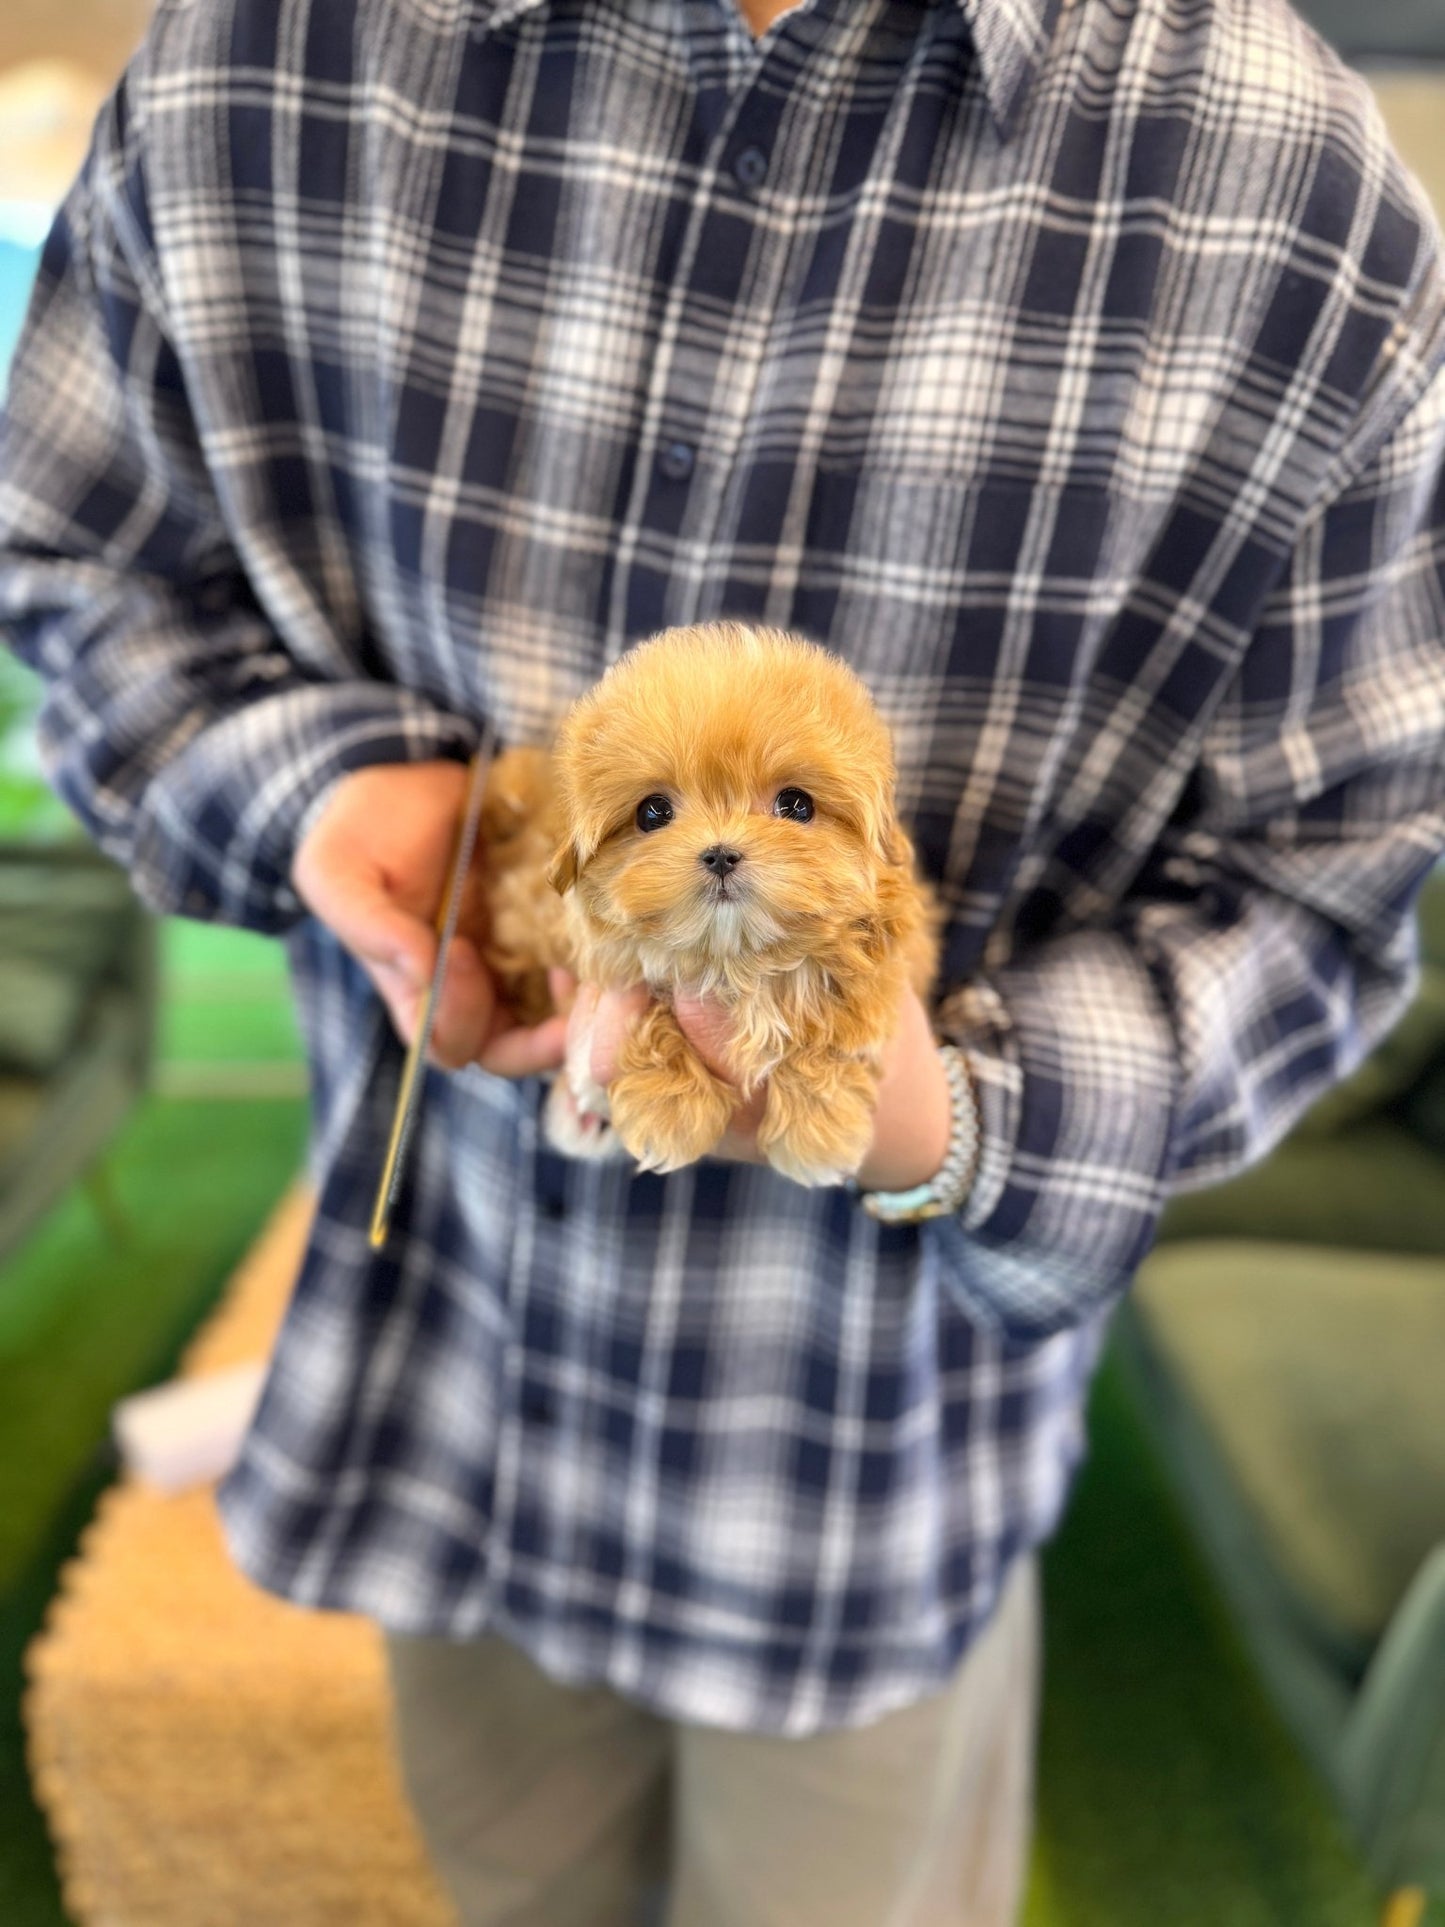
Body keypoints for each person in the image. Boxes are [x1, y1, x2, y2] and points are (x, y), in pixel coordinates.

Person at [3, 0, 1444, 1918]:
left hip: (865, 1462)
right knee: (511, 1873)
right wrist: (328, 801)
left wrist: (941, 1108)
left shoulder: (1283, 184)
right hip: (456, 1361)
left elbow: (1339, 874)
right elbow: (85, 559)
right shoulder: (263, 56)